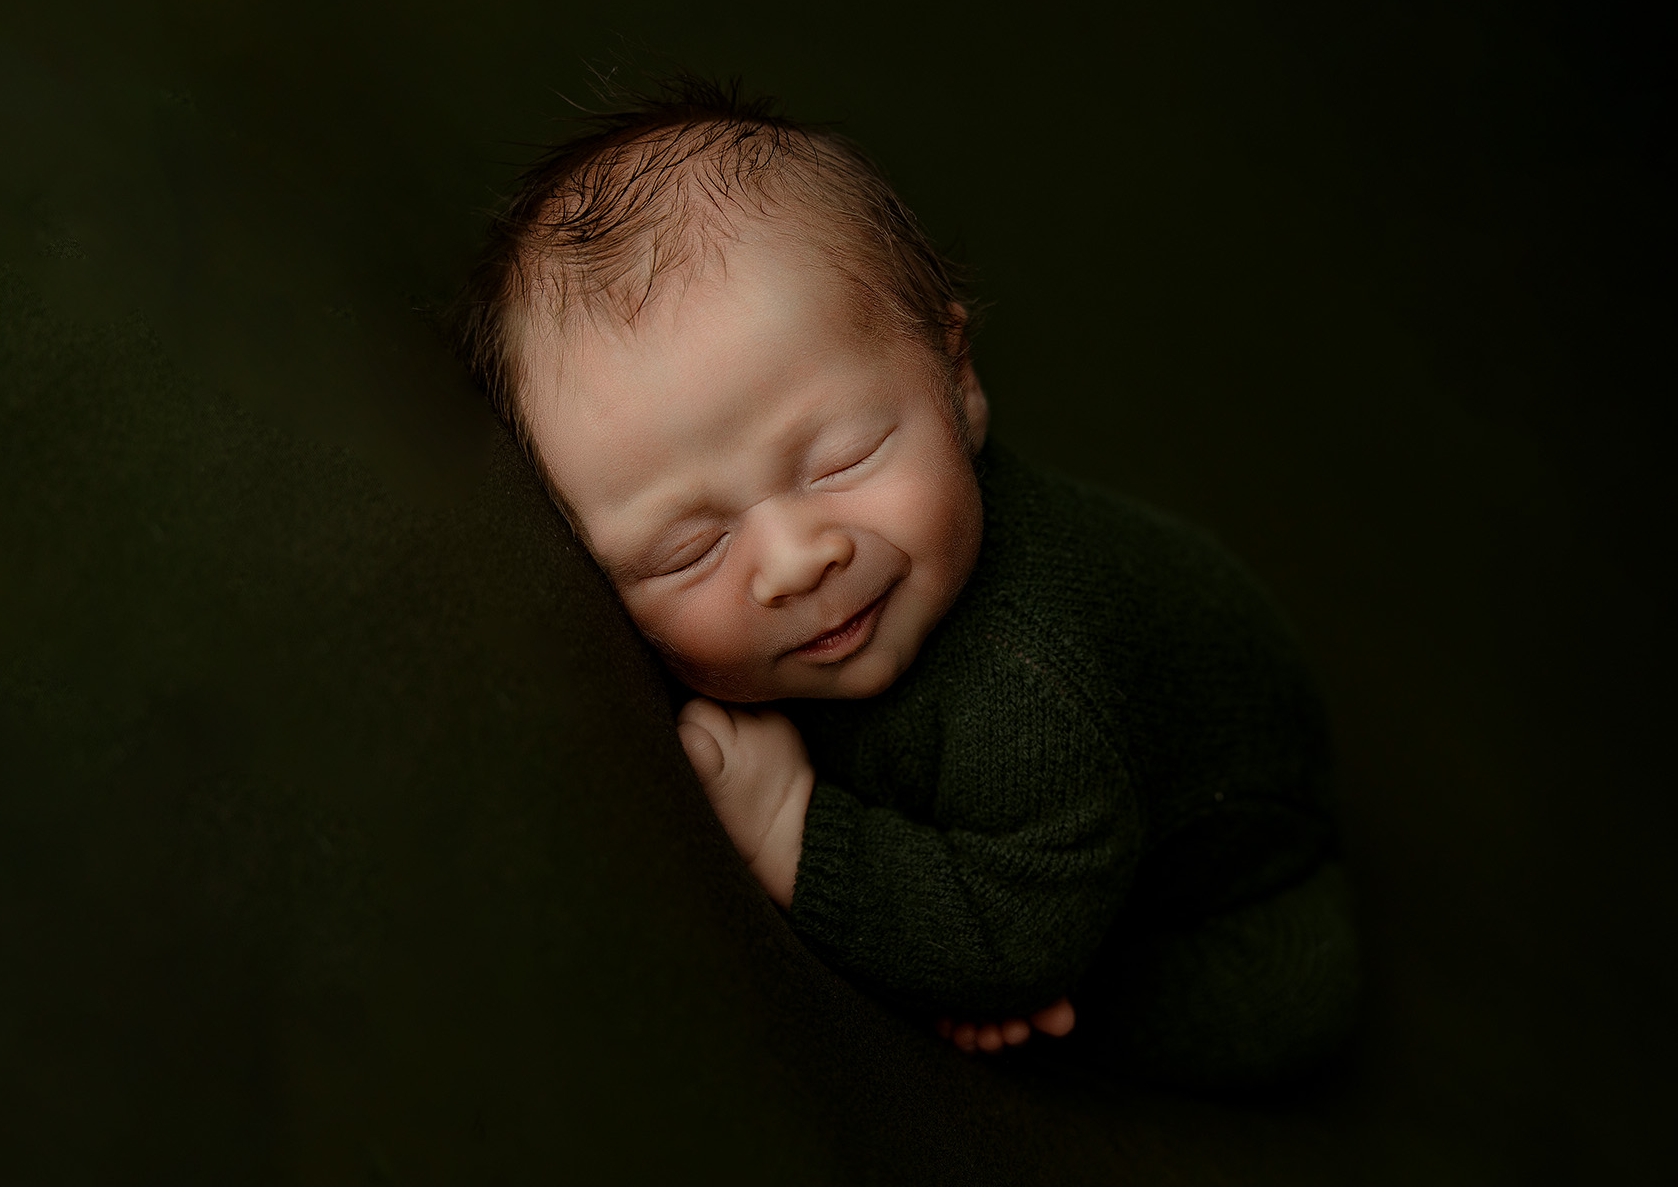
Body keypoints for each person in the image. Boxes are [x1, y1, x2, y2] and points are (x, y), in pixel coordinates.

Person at [456, 76, 1358, 1087]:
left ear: (956, 381)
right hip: (1045, 815)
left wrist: (795, 828)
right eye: (687, 550)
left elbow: (1014, 941)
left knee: (1291, 996)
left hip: (1228, 865)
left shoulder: (1029, 688)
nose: (795, 561)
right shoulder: (837, 596)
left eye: (842, 459)